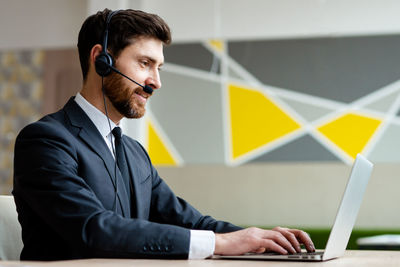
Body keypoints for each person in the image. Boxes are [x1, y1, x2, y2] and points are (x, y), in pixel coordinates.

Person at [12, 8, 315, 260]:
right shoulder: (45, 140)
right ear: (100, 60)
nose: (155, 82)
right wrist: (220, 244)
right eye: (145, 63)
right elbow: (93, 229)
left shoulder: (133, 152)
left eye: (159, 68)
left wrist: (261, 241)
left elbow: (191, 222)